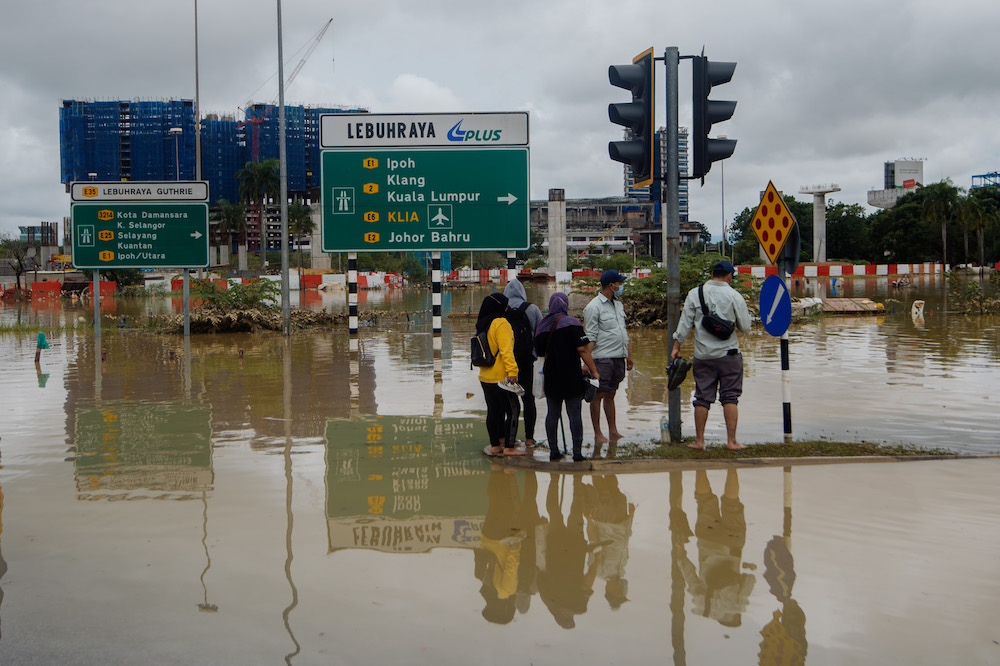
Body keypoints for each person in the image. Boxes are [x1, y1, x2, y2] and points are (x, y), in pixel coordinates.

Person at [670, 259, 752, 450]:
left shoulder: (695, 294)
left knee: (702, 397)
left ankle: (699, 441)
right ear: (729, 275)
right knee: (730, 397)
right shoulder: (734, 295)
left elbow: (684, 325)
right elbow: (746, 327)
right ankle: (732, 442)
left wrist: (676, 346)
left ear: (712, 274)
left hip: (703, 356)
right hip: (729, 355)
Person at [534, 292, 599, 462]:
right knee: (574, 414)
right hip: (571, 375)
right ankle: (577, 453)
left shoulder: (542, 325)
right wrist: (594, 371)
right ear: (565, 305)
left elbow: (539, 352)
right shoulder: (572, 324)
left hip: (551, 376)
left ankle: (554, 451)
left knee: (552, 414)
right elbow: (583, 350)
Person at [582, 270, 633, 446]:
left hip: (619, 357)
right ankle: (598, 433)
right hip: (601, 358)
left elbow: (623, 332)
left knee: (611, 393)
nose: (621, 286)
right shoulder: (593, 307)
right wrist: (586, 363)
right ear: (611, 285)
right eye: (619, 283)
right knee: (598, 395)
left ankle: (613, 430)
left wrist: (629, 355)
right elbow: (590, 336)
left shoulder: (618, 305)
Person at [475, 292, 525, 457]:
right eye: (505, 304)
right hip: (501, 377)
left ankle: (496, 445)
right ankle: (509, 447)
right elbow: (506, 351)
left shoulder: (483, 324)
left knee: (494, 410)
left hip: (485, 376)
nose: (507, 307)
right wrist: (513, 371)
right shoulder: (501, 323)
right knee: (514, 409)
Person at [503, 278, 543, 448]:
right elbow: (540, 335)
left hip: (505, 363)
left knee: (509, 403)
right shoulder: (532, 309)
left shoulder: (501, 309)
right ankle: (529, 439)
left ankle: (508, 440)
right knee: (529, 400)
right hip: (527, 361)